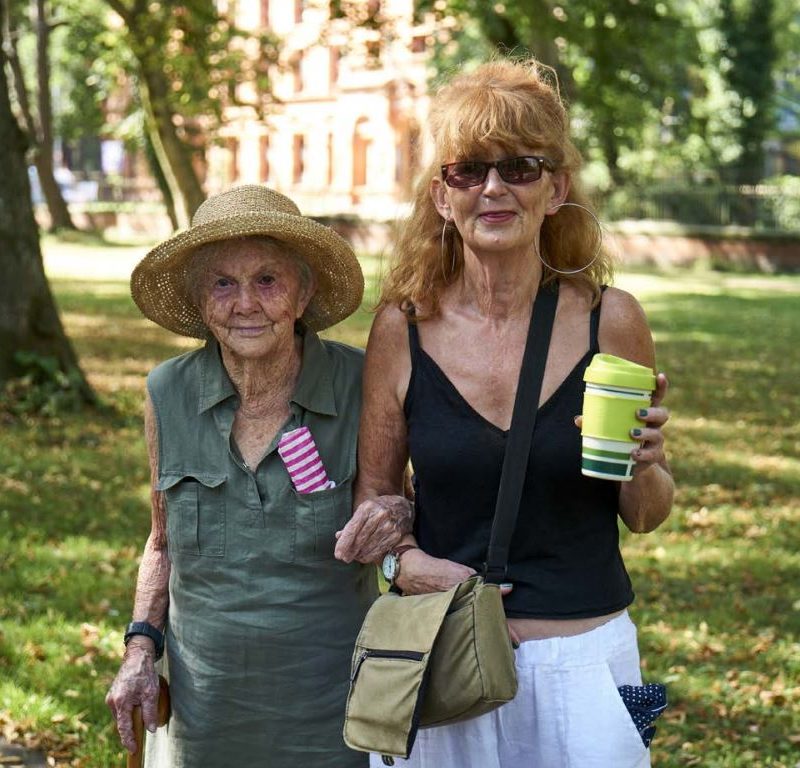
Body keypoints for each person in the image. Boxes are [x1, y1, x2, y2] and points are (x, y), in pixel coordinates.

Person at [334, 58, 674, 767]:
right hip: (443, 657)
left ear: (557, 191)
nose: (493, 188)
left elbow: (644, 513)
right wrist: (406, 562)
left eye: (520, 167)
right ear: (440, 196)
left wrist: (644, 465)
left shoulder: (610, 322)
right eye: (468, 171)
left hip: (581, 666)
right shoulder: (403, 328)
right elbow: (376, 490)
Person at [106, 185, 410, 767]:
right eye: (222, 283)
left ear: (304, 292)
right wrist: (140, 649)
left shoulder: (362, 382)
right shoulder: (166, 392)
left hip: (334, 711)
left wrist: (394, 518)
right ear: (200, 301)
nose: (245, 303)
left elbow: (405, 509)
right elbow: (161, 539)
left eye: (267, 280)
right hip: (205, 711)